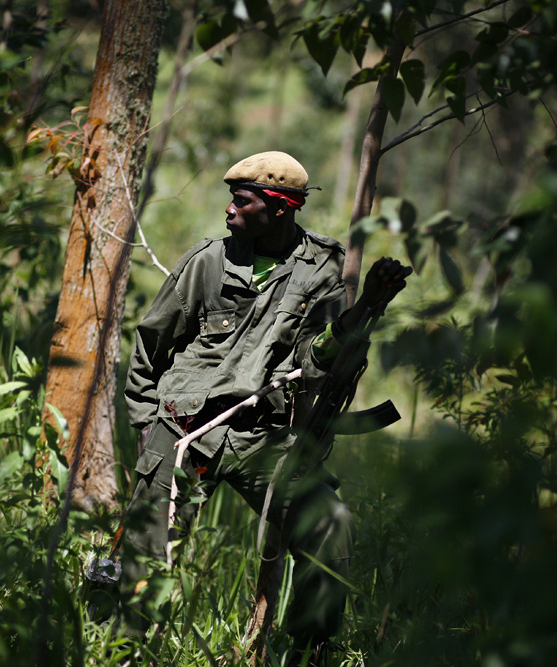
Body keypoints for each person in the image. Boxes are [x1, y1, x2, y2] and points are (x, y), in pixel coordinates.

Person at [118, 151, 410, 655]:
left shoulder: (323, 269)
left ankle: (304, 652)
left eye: (242, 201)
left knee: (329, 526)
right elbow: (150, 342)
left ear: (279, 208)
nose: (229, 210)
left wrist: (364, 307)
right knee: (144, 553)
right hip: (185, 426)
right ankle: (125, 653)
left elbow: (316, 361)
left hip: (265, 435)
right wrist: (147, 422)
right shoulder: (208, 260)